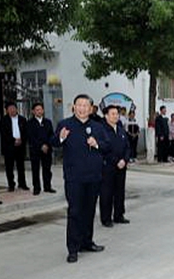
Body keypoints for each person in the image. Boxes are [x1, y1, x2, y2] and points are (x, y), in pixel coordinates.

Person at [52, 94, 110, 263]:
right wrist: (61, 137)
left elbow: (107, 146)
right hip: (74, 178)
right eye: (79, 105)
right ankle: (73, 248)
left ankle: (87, 242)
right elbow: (53, 142)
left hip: (93, 177)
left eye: (86, 105)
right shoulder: (65, 125)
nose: (83, 108)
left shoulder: (98, 127)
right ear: (74, 107)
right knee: (75, 212)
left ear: (91, 108)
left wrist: (97, 144)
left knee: (90, 211)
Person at [100, 105, 131, 227]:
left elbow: (128, 147)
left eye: (117, 114)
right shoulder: (102, 130)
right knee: (107, 193)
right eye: (113, 114)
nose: (116, 116)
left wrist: (125, 160)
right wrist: (116, 161)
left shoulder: (121, 129)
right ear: (106, 116)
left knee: (120, 192)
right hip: (108, 167)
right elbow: (103, 150)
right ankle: (106, 218)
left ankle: (119, 215)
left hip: (122, 167)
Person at [0, 102, 29, 192]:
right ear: (7, 110)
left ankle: (22, 183)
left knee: (21, 166)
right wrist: (13, 140)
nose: (12, 110)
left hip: (20, 146)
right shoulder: (4, 120)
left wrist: (21, 140)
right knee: (9, 167)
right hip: (9, 147)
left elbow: (26, 132)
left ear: (16, 109)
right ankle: (11, 184)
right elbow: (3, 134)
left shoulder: (23, 119)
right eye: (10, 108)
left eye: (13, 108)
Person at [27, 102, 55, 196]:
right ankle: (36, 188)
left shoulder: (48, 122)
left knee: (47, 169)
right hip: (35, 150)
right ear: (33, 112)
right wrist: (40, 146)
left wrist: (47, 145)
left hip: (47, 150)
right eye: (37, 110)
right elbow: (31, 137)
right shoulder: (30, 123)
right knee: (35, 169)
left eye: (40, 109)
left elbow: (51, 135)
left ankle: (47, 186)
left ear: (43, 110)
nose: (39, 111)